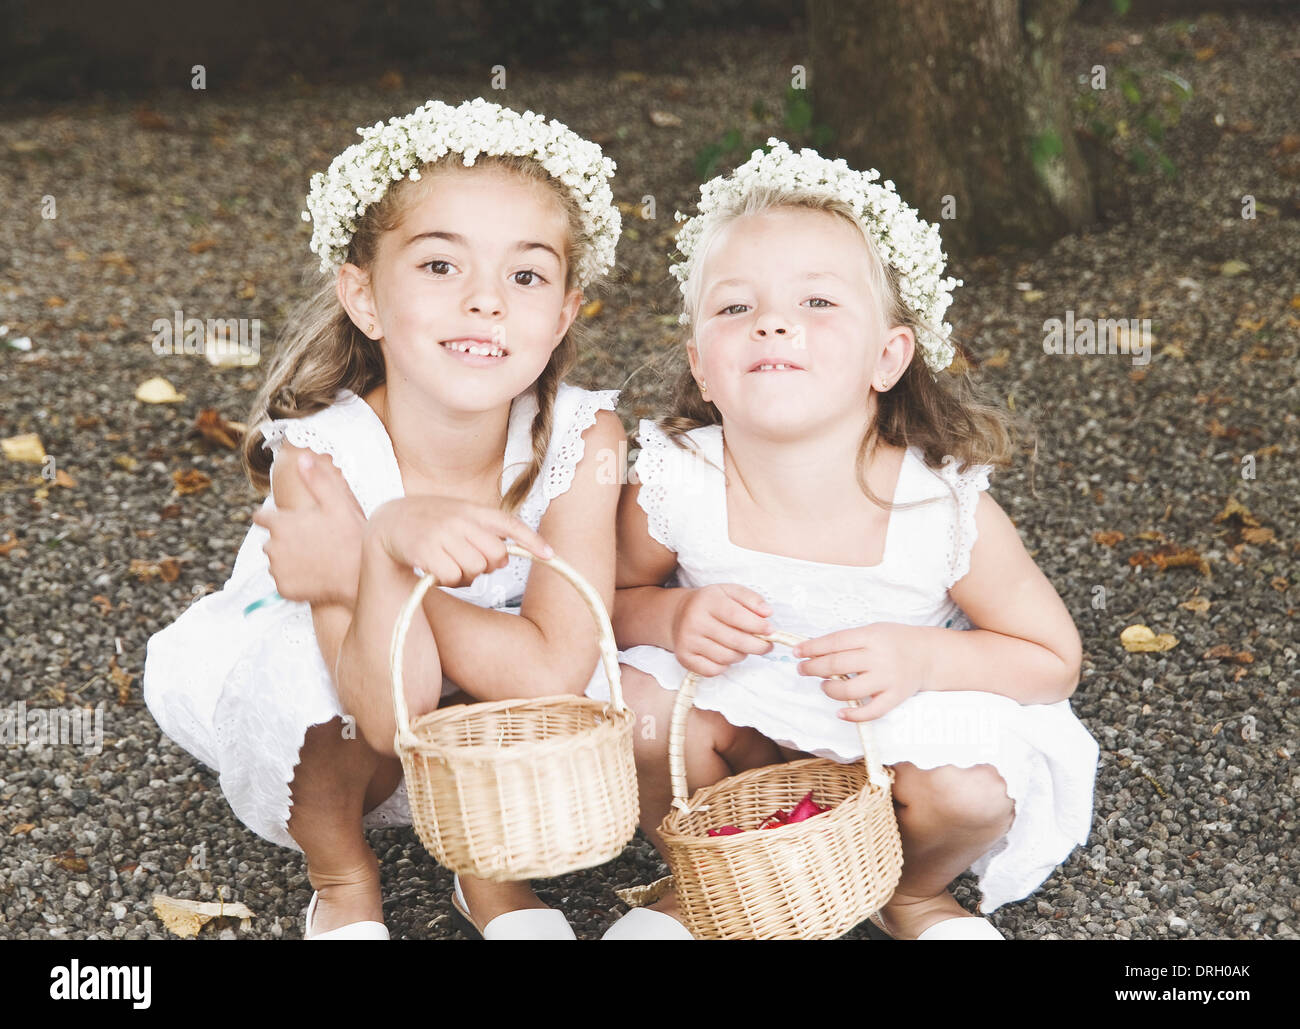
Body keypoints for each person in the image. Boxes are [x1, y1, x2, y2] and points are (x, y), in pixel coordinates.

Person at [592, 140, 1100, 940]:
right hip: (743, 725)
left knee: (969, 789)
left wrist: (923, 657)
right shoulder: (678, 481)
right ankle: (703, 879)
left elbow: (1050, 658)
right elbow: (600, 605)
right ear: (702, 364)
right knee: (644, 712)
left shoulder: (936, 508)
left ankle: (912, 891)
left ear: (888, 357)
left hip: (888, 738)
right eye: (734, 308)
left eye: (819, 303)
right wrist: (669, 619)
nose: (773, 323)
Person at [143, 98, 625, 940]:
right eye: (441, 267)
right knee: (303, 662)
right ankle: (341, 875)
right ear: (364, 297)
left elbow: (552, 671)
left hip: (497, 712)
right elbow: (381, 709)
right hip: (354, 727)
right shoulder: (320, 460)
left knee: (602, 670)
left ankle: (490, 870)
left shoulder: (586, 441)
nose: (486, 302)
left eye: (526, 275)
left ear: (563, 314)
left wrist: (374, 560)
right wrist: (385, 542)